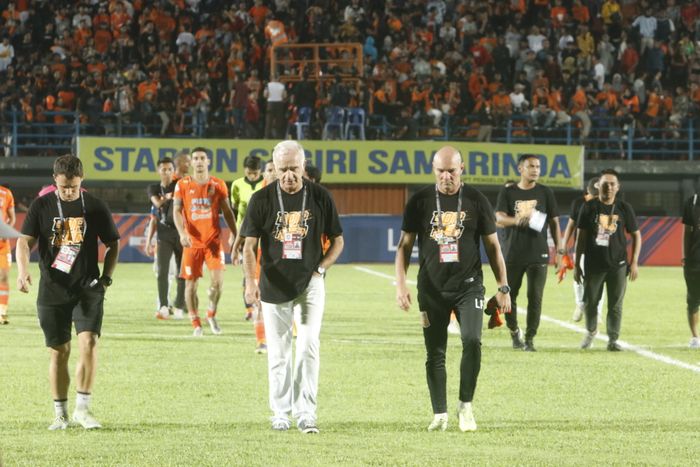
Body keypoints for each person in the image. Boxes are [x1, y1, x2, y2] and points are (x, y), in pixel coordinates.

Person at [395, 146, 511, 433]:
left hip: (468, 287)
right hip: (431, 289)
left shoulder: (476, 200)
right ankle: (440, 413)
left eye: (452, 170)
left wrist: (503, 287)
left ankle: (466, 407)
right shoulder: (420, 201)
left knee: (472, 340)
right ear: (434, 170)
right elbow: (404, 246)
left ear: (462, 169)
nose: (446, 176)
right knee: (435, 352)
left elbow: (493, 247)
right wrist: (400, 285)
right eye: (440, 171)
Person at [241, 140, 344, 434]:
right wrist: (251, 282)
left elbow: (338, 240)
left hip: (309, 284)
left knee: (309, 345)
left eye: (294, 169)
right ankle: (281, 412)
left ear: (303, 166)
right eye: (282, 169)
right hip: (273, 285)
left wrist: (320, 270)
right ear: (273, 168)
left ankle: (306, 412)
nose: (288, 175)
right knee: (279, 351)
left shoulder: (321, 197)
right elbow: (248, 247)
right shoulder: (261, 200)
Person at [15, 154, 120, 430]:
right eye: (64, 187)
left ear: (81, 180)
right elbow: (24, 242)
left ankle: (83, 410)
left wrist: (106, 279)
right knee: (59, 352)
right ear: (55, 181)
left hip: (87, 287)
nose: (69, 191)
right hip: (52, 289)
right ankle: (60, 414)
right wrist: (22, 272)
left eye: (74, 186)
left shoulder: (95, 206)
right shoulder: (41, 205)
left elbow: (112, 244)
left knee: (89, 343)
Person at [496, 154, 562, 352]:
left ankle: (530, 338)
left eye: (538, 166)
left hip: (538, 253)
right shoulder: (508, 192)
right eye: (531, 166)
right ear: (520, 169)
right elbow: (499, 217)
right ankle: (515, 331)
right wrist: (518, 220)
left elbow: (554, 222)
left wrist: (560, 250)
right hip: (513, 253)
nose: (535, 169)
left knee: (535, 297)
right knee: (510, 296)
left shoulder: (545, 192)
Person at [173, 147, 237, 336]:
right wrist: (182, 233)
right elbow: (176, 210)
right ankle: (196, 323)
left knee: (217, 284)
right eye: (196, 158)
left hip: (213, 243)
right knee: (190, 286)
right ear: (191, 162)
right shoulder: (182, 185)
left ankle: (211, 313)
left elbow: (227, 212)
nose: (199, 161)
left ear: (208, 161)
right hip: (192, 243)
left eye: (202, 158)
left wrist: (236, 235)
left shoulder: (218, 184)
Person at [575, 169, 642, 351]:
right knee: (590, 302)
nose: (609, 187)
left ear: (618, 187)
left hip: (618, 265)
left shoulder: (624, 208)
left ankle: (613, 339)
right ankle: (591, 331)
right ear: (599, 186)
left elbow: (636, 235)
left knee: (615, 305)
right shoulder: (588, 207)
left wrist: (634, 262)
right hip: (593, 265)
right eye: (605, 184)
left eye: (613, 184)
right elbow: (580, 237)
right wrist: (576, 264)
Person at [230, 154, 266, 352]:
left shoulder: (268, 187)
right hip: (246, 235)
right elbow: (237, 210)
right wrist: (235, 239)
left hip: (266, 241)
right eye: (250, 173)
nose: (253, 176)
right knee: (250, 277)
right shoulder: (236, 185)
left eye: (256, 173)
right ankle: (250, 309)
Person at [561, 177, 604, 323]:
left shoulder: (608, 204)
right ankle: (580, 304)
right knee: (579, 278)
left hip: (601, 249)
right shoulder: (579, 203)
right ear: (588, 191)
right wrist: (563, 244)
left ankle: (597, 311)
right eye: (594, 195)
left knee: (599, 281)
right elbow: (571, 225)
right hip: (582, 247)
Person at [147, 157, 185, 320]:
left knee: (182, 272)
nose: (167, 172)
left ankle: (179, 305)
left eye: (170, 169)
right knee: (162, 271)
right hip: (163, 232)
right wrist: (149, 240)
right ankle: (163, 305)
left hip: (182, 232)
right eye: (164, 169)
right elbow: (157, 206)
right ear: (158, 171)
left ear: (173, 170)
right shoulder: (153, 188)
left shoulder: (180, 184)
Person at [682, 191, 700, 348]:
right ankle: (695, 337)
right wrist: (686, 258)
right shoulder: (693, 202)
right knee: (693, 300)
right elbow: (687, 232)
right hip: (696, 260)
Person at [0, 184, 16, 324]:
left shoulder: (6, 193)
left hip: (2, 245)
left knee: (3, 277)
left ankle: (2, 312)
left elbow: (12, 218)